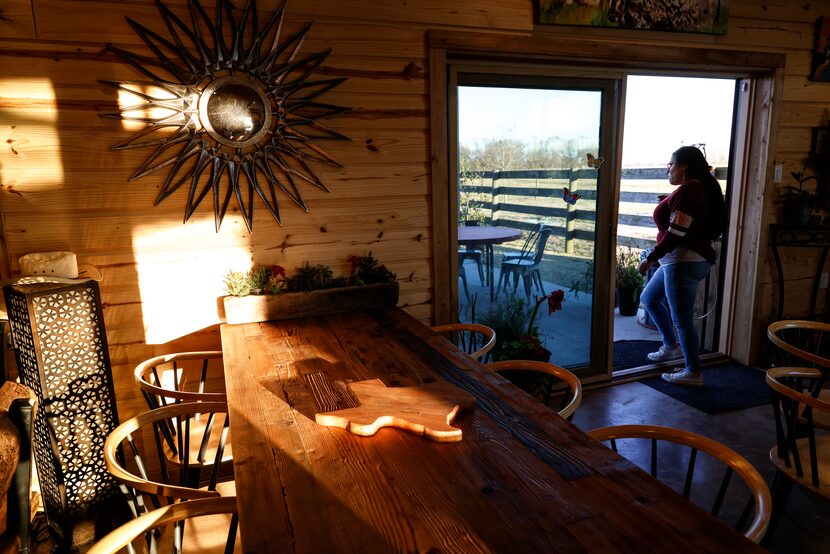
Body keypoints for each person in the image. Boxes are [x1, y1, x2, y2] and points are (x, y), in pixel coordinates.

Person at [638, 146, 726, 387]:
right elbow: (686, 219)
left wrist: (651, 258)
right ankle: (670, 346)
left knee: (682, 319)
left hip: (683, 263)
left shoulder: (691, 189)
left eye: (671, 163)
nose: (668, 168)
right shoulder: (692, 190)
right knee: (650, 298)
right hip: (677, 261)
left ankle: (693, 372)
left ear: (683, 166)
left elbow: (676, 233)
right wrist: (668, 204)